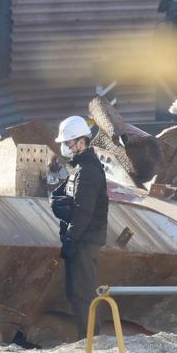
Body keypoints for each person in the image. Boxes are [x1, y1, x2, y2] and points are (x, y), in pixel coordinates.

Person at [51, 115, 107, 332]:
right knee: (76, 292)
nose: (65, 147)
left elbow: (84, 211)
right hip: (82, 239)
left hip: (85, 240)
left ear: (81, 141)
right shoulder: (80, 169)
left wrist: (71, 241)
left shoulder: (88, 171)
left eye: (68, 142)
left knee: (83, 293)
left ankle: (92, 338)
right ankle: (88, 337)